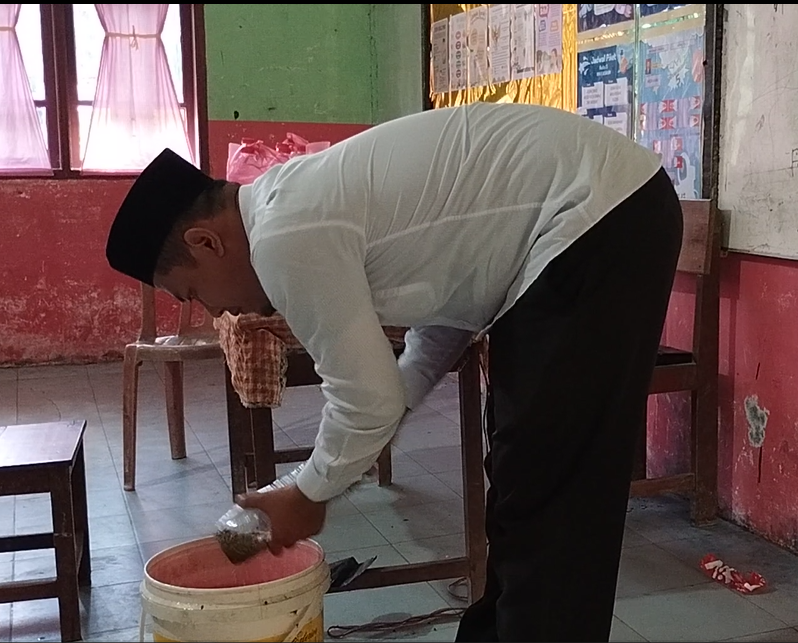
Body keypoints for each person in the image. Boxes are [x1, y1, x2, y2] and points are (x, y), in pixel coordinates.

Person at [105, 101, 683, 642]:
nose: (218, 313)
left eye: (194, 293)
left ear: (206, 242)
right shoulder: (296, 207)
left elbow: (366, 399)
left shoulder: (283, 236)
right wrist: (392, 408)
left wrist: (310, 491)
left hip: (596, 217)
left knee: (553, 494)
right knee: (524, 478)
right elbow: (447, 310)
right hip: (589, 220)